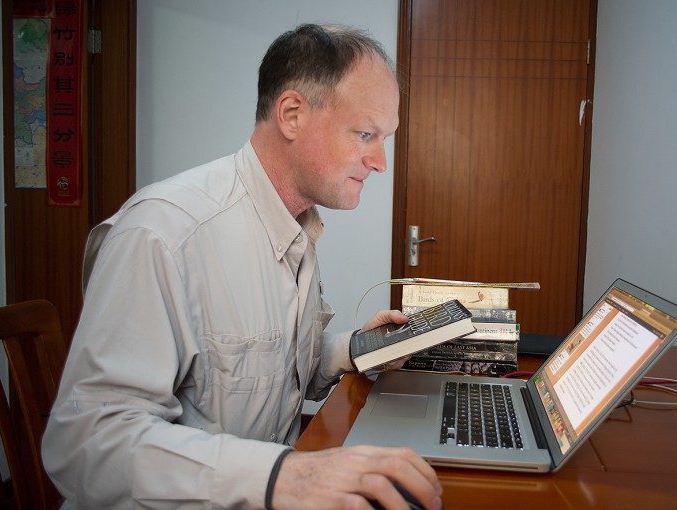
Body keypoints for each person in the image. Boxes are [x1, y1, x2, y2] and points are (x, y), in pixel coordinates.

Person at [42, 23, 443, 510]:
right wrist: (283, 477)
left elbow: (270, 371)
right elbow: (85, 444)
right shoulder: (164, 235)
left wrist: (359, 349)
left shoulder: (297, 227)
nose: (380, 161)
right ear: (292, 114)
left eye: (385, 138)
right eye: (365, 133)